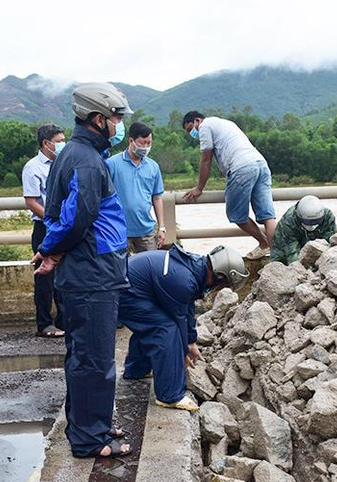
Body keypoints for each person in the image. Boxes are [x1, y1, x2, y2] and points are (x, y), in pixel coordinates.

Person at [32, 82, 132, 459]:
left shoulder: (74, 154)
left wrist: (51, 252)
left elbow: (65, 217)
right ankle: (91, 439)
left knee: (83, 354)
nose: (119, 125)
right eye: (116, 118)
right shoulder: (87, 161)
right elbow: (77, 219)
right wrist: (51, 249)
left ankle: (91, 423)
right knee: (94, 359)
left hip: (86, 269)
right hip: (92, 272)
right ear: (98, 119)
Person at [119, 244, 249, 411]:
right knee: (165, 329)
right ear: (219, 276)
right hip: (124, 294)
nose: (218, 290)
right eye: (222, 286)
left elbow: (187, 308)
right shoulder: (184, 280)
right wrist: (182, 352)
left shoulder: (194, 269)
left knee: (152, 325)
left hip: (132, 288)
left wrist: (191, 341)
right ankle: (170, 396)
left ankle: (137, 369)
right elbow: (178, 319)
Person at [182, 111, 276, 260]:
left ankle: (264, 244)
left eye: (190, 129)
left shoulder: (205, 126)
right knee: (268, 216)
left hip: (241, 168)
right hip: (261, 164)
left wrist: (199, 188)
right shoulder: (225, 123)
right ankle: (277, 256)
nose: (192, 133)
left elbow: (206, 159)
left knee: (236, 214)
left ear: (197, 120)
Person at [22, 123, 66, 338]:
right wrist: (50, 219)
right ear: (46, 144)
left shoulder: (64, 163)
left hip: (63, 225)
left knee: (64, 275)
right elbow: (31, 201)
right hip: (45, 226)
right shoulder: (33, 167)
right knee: (44, 277)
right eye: (59, 142)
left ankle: (64, 320)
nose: (62, 145)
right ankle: (44, 323)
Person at [107, 121, 166, 253]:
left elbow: (157, 198)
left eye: (149, 143)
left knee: (151, 267)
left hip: (146, 229)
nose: (145, 147)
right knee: (120, 270)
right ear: (131, 141)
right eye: (142, 143)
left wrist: (161, 227)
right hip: (119, 229)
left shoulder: (153, 167)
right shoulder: (112, 164)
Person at [270, 195, 337, 265]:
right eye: (308, 222)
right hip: (284, 246)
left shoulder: (328, 217)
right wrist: (298, 269)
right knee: (277, 265)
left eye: (315, 221)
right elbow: (291, 250)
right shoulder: (289, 220)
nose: (311, 226)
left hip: (316, 243)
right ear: (298, 215)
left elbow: (328, 242)